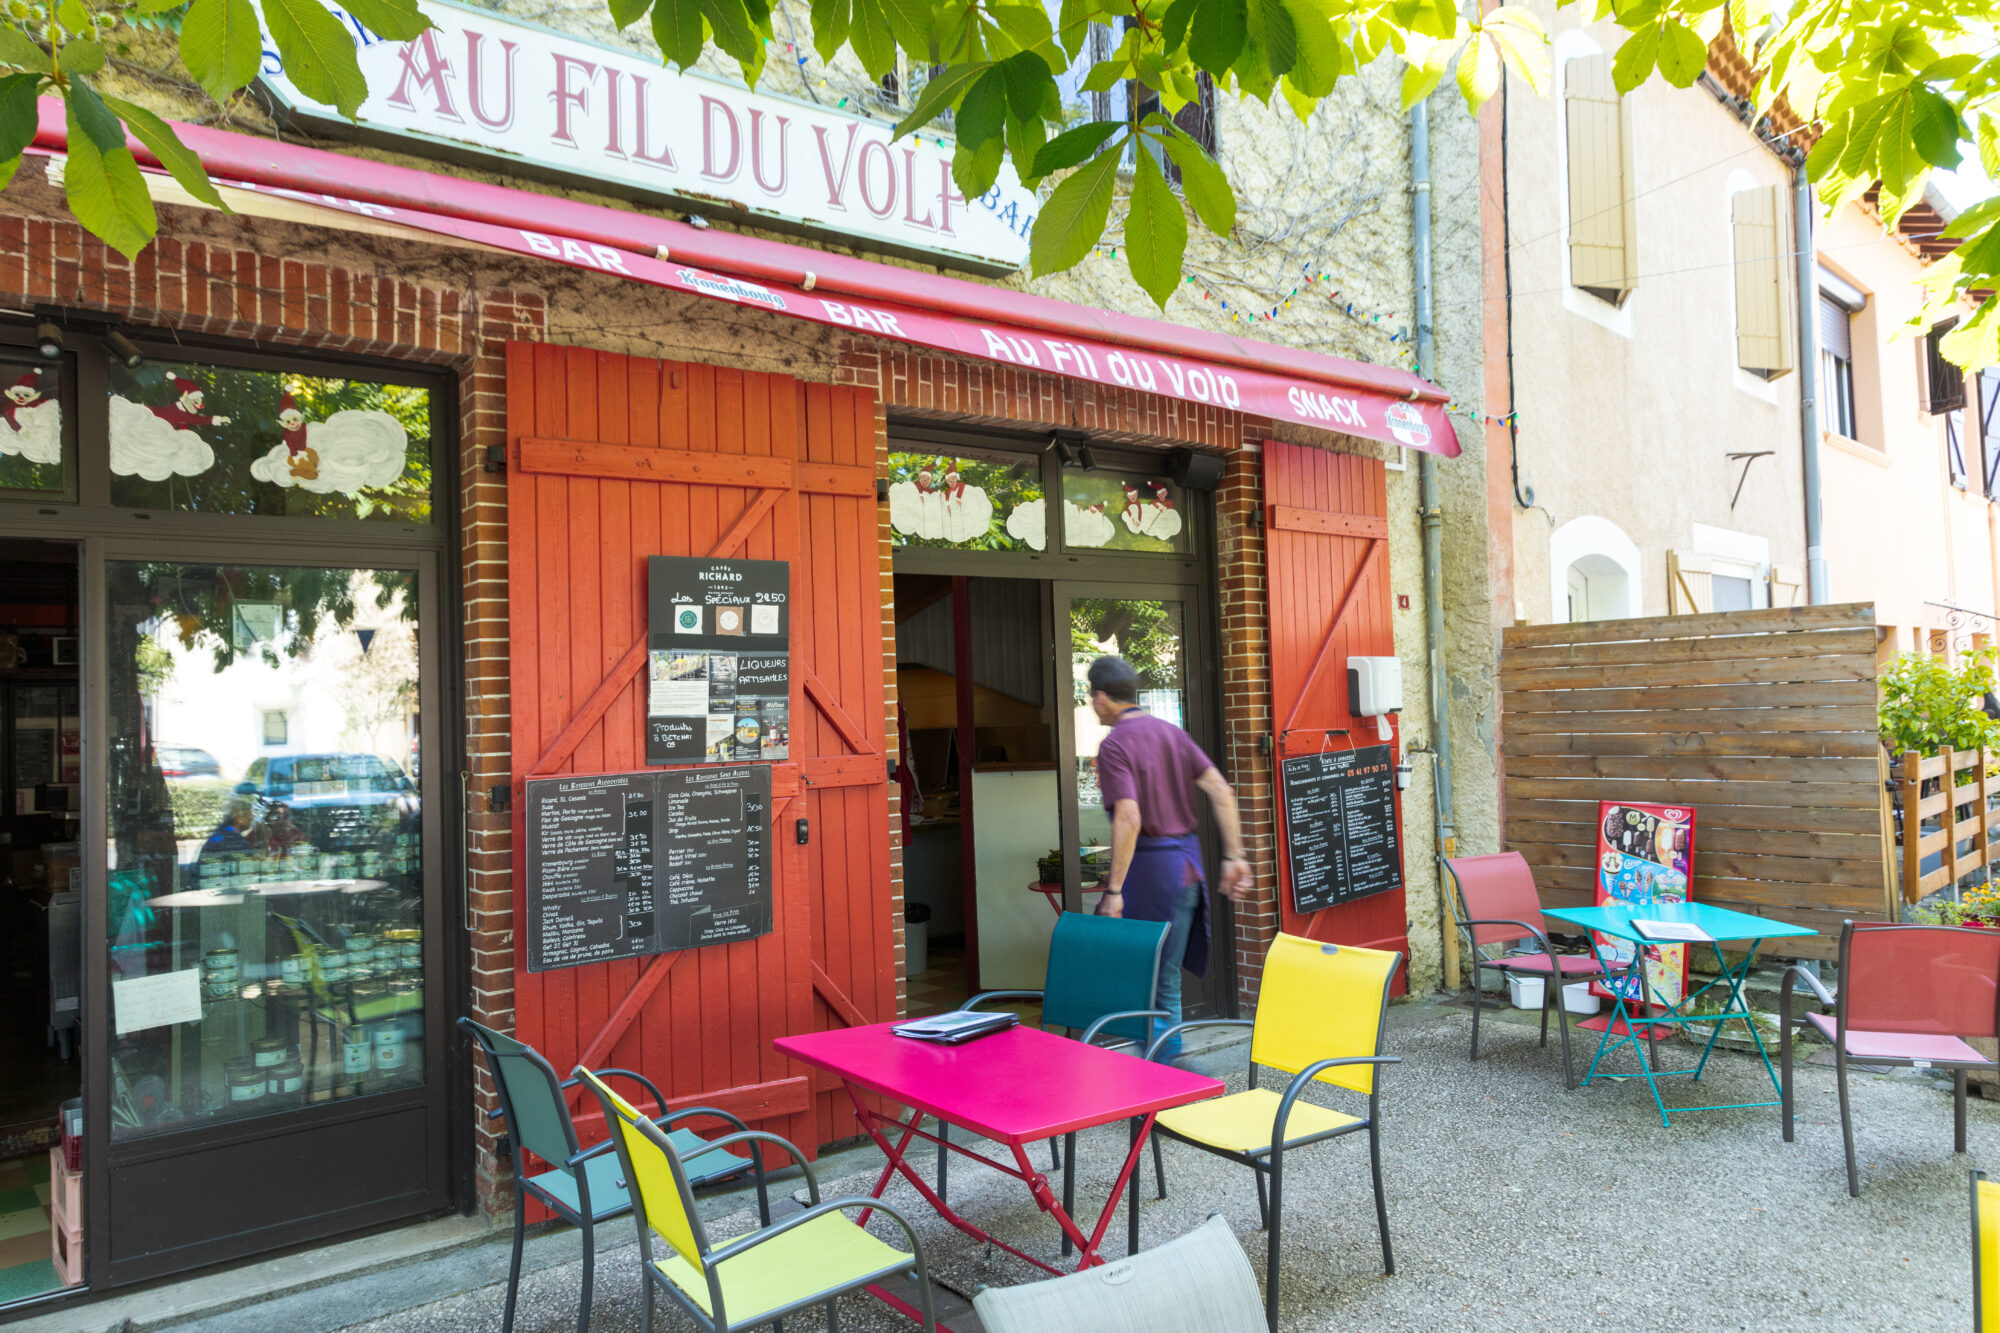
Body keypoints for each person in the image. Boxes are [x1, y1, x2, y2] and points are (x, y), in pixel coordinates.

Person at [1087, 655, 1250, 1061]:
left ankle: (1170, 1076)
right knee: (1165, 980)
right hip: (1187, 868)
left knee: (1149, 980)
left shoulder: (1115, 744)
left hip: (1152, 874)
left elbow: (1128, 816)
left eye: (1092, 697)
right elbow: (1221, 791)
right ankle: (1165, 1073)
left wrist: (1114, 890)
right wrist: (1234, 857)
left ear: (1103, 697)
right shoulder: (1170, 733)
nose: (1093, 705)